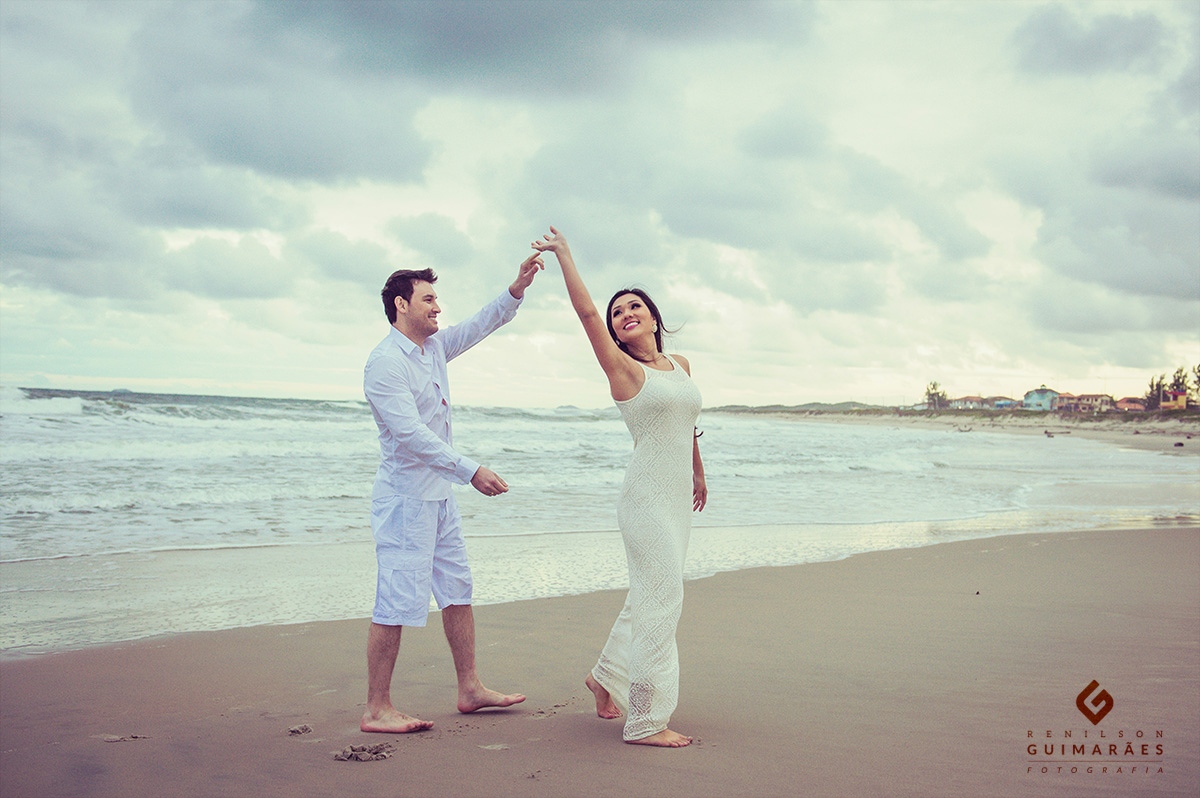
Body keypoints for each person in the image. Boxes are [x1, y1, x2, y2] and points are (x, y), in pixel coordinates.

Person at [532, 227, 707, 748]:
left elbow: (687, 423)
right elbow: (586, 314)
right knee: (662, 601)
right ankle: (647, 719)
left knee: (649, 594)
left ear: (652, 317)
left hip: (676, 498)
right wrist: (565, 255)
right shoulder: (622, 368)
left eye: (634, 307)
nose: (624, 314)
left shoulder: (681, 366)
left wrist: (698, 472)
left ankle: (603, 676)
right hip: (645, 502)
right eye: (617, 313)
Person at [360, 253, 543, 733]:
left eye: (436, 299)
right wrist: (471, 470)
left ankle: (470, 688)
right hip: (405, 501)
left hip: (440, 496)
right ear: (401, 305)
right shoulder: (385, 363)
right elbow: (410, 435)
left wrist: (517, 289)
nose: (437, 307)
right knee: (396, 601)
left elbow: (480, 325)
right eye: (428, 299)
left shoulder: (434, 348)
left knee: (458, 590)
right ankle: (377, 707)